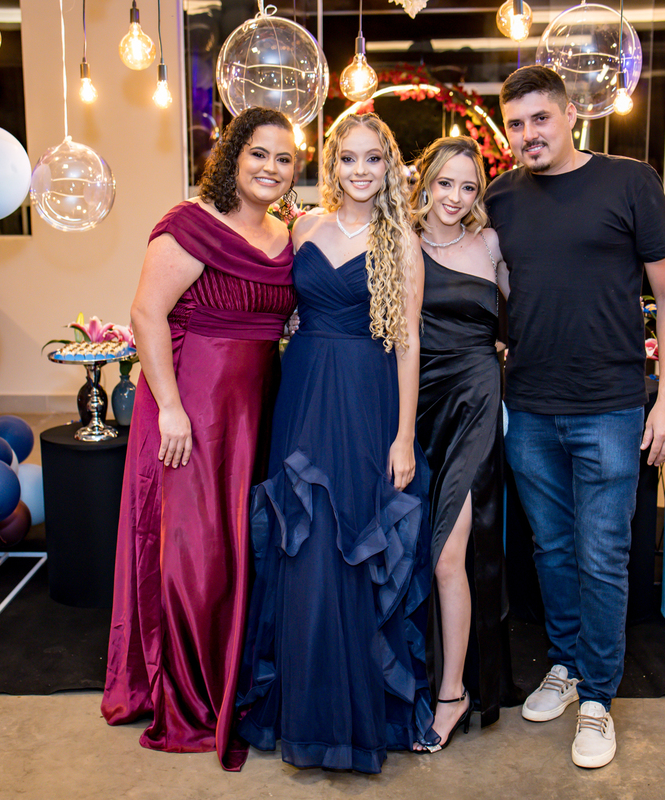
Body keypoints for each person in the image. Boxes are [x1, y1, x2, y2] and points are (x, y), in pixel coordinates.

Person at [485, 65, 665, 769]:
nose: (528, 134)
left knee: (603, 555)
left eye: (540, 118)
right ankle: (567, 664)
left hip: (609, 405)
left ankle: (598, 696)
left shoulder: (630, 182)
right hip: (530, 406)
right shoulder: (500, 197)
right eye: (515, 123)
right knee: (551, 549)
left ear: (572, 114)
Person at [101, 107, 299, 772]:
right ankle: (192, 695)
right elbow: (145, 313)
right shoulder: (191, 224)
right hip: (194, 410)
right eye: (259, 154)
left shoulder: (285, 234)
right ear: (233, 156)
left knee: (246, 548)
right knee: (198, 553)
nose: (271, 168)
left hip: (258, 412)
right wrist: (170, 408)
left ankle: (236, 681)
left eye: (284, 159)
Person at [237, 113, 434, 773]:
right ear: (332, 165)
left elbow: (408, 343)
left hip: (366, 398)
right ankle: (303, 710)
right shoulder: (303, 229)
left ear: (389, 167)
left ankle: (354, 719)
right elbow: (275, 303)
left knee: (353, 541)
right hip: (302, 393)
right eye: (348, 158)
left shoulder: (400, 241)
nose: (360, 171)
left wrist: (404, 435)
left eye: (372, 159)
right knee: (303, 537)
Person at [408, 136, 512, 752]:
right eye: (445, 183)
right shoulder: (400, 241)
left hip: (474, 398)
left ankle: (453, 692)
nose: (455, 197)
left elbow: (527, 312)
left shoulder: (490, 244)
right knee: (415, 549)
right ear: (425, 182)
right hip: (413, 404)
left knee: (449, 554)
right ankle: (416, 676)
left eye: (468, 187)